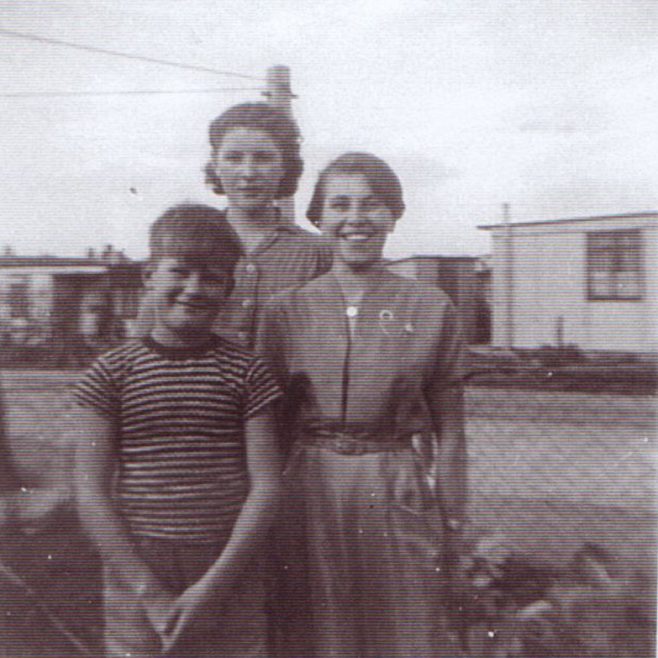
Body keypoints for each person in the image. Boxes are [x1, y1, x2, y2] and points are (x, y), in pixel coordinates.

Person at [258, 153, 467, 657]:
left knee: (407, 623)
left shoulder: (431, 307)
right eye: (340, 205)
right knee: (315, 628)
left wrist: (454, 522)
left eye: (372, 205)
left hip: (395, 482)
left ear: (393, 215)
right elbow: (267, 427)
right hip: (308, 488)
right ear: (317, 217)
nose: (356, 218)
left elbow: (453, 432)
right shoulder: (286, 310)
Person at [72, 204, 282, 658]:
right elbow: (89, 491)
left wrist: (214, 586)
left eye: (211, 277)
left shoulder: (247, 372)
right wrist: (148, 590)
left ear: (229, 287)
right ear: (149, 275)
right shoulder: (111, 373)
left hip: (229, 562)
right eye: (180, 272)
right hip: (139, 564)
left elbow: (266, 486)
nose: (194, 288)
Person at [135, 102, 331, 348]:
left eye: (263, 158)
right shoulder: (183, 241)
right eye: (234, 158)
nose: (248, 172)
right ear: (216, 166)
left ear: (284, 166)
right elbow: (143, 343)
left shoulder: (318, 252)